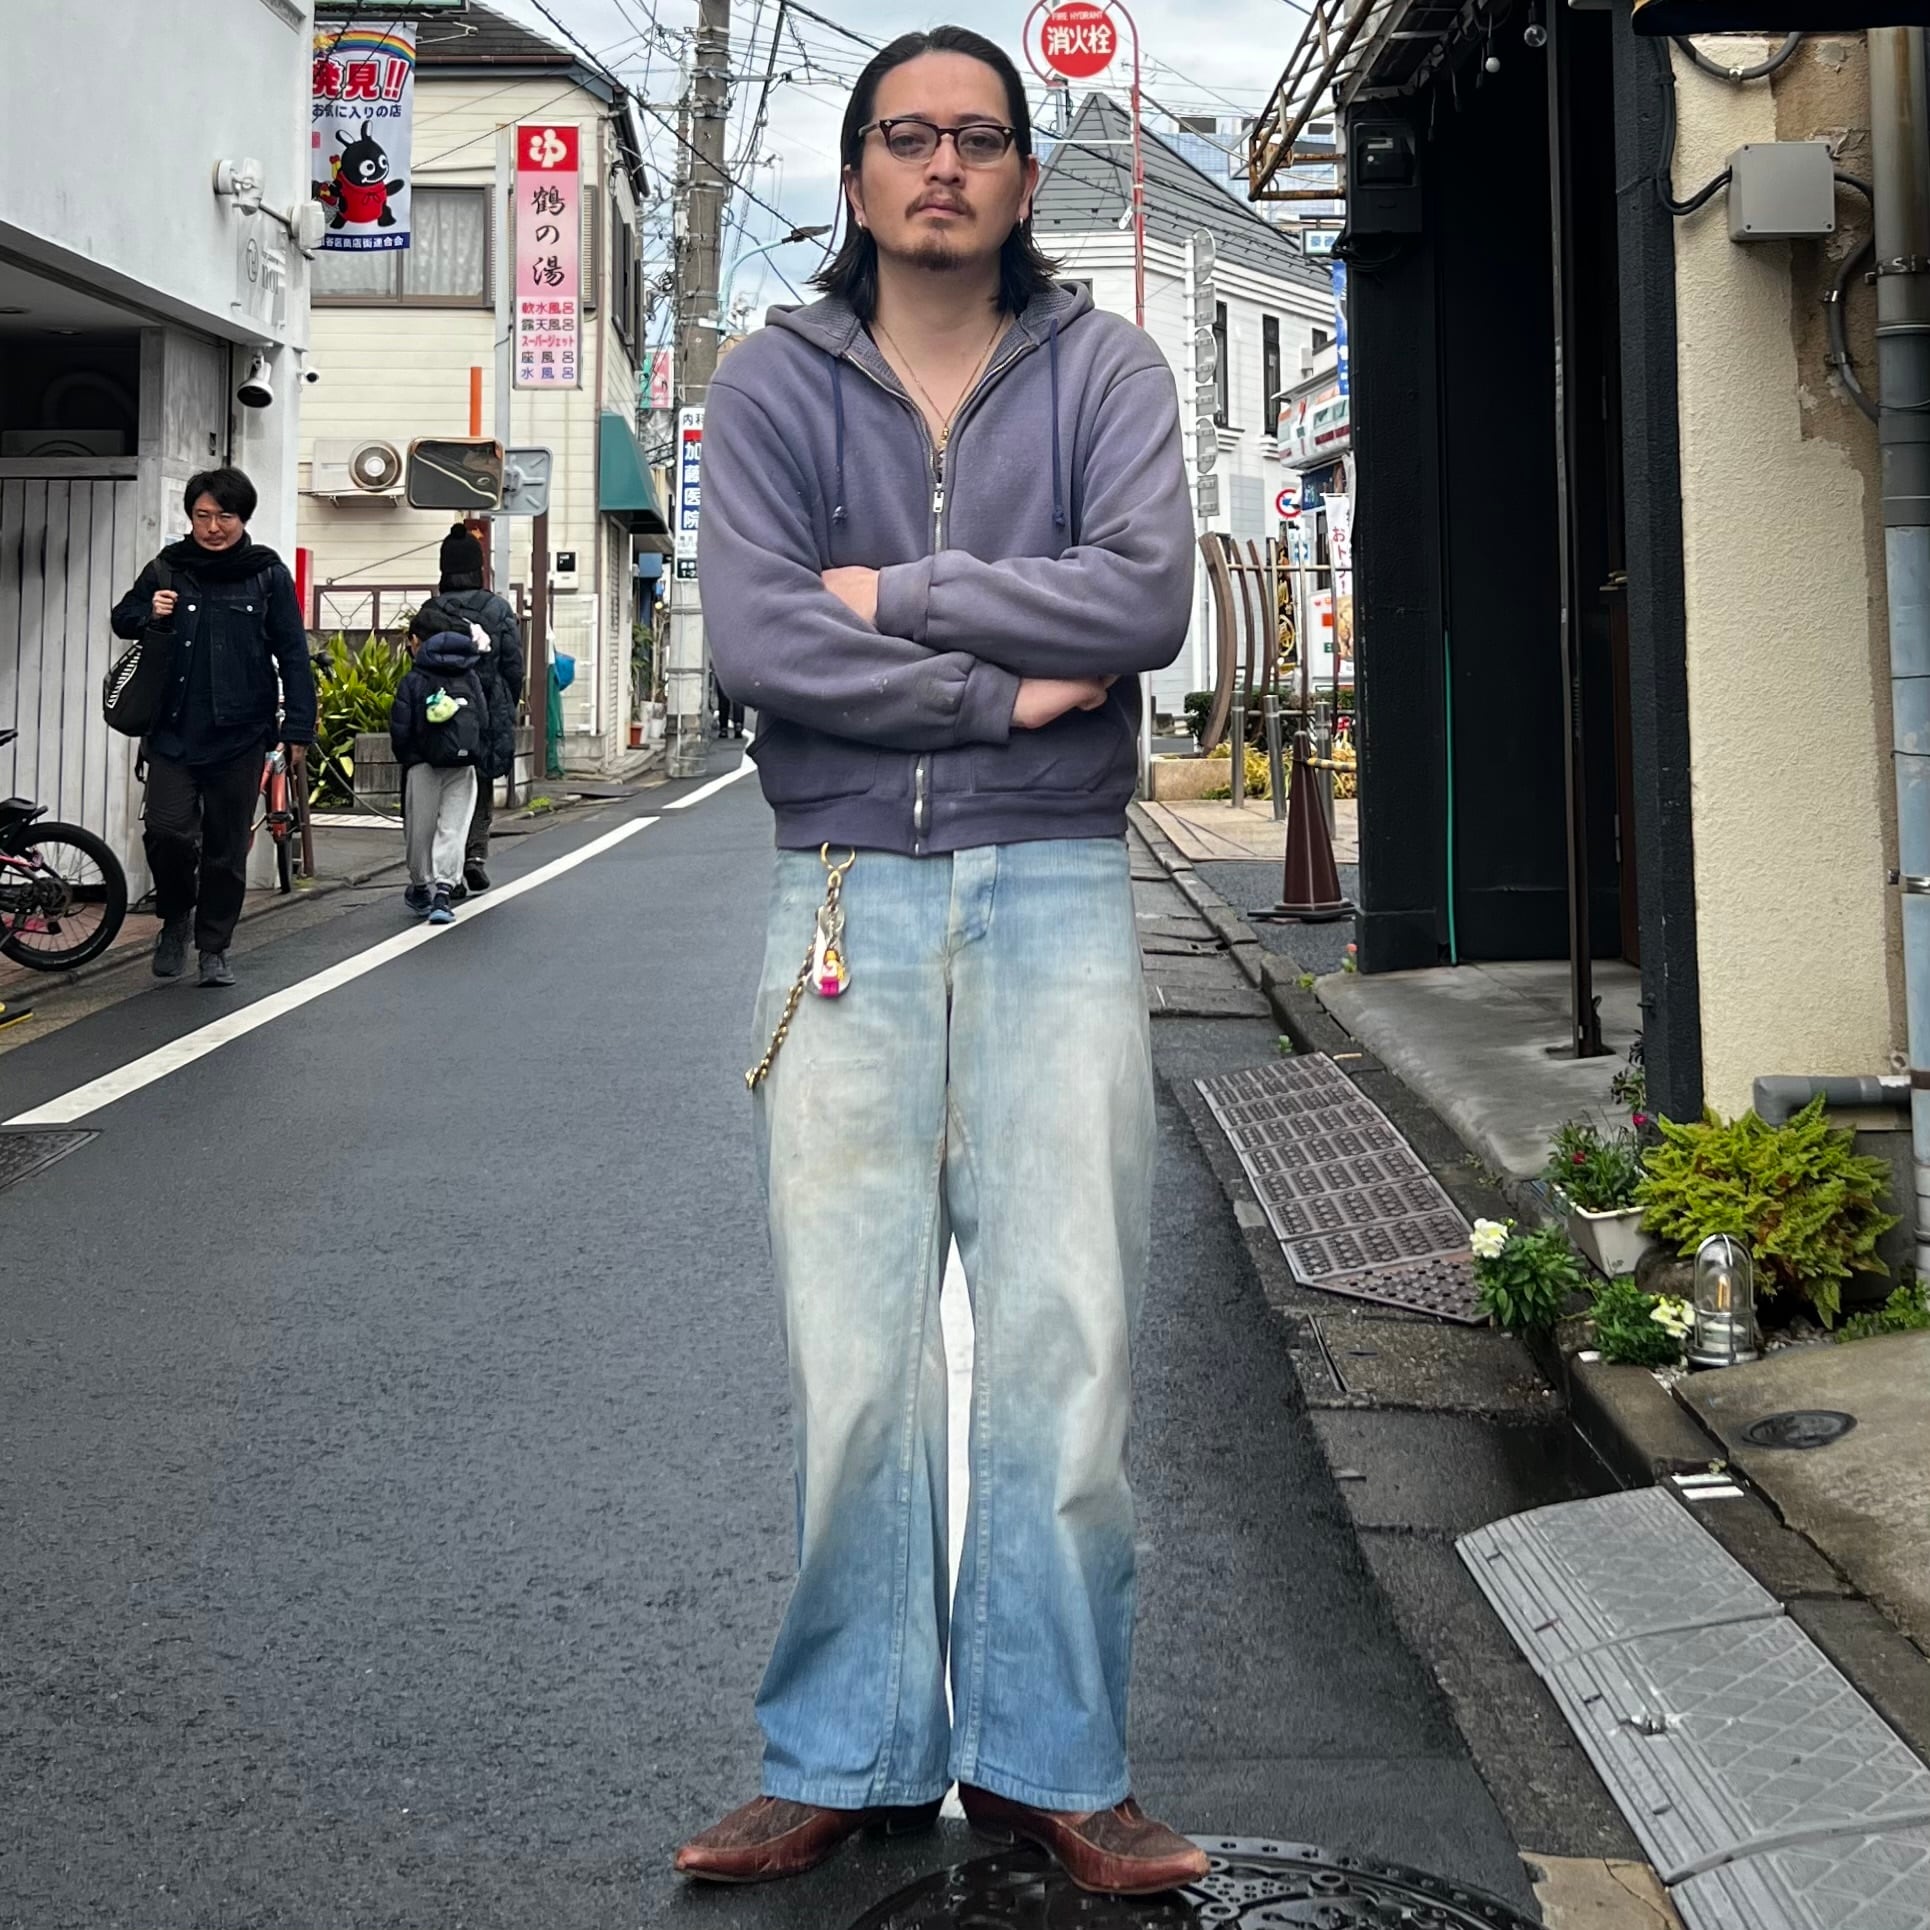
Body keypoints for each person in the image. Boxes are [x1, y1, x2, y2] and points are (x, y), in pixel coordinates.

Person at [684, 24, 1202, 1899]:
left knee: (1067, 1338)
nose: (943, 165)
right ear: (853, 176)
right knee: (856, 1356)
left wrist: (892, 600)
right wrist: (1006, 684)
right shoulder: (771, 381)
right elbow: (758, 637)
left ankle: (1057, 1760)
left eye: (980, 137)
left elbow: (1141, 595)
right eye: (906, 135)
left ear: (1023, 179)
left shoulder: (1106, 370)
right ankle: (847, 1750)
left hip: (1054, 885)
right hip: (839, 887)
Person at [111, 467, 316, 989]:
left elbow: (294, 654)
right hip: (173, 732)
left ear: (242, 518)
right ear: (190, 517)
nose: (213, 527)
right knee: (166, 832)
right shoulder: (168, 568)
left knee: (226, 849)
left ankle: (214, 948)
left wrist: (298, 728)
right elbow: (122, 617)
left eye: (224, 516)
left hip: (240, 735)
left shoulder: (266, 574)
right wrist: (148, 612)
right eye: (202, 516)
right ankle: (175, 917)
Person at [429, 523, 523, 893]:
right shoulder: (497, 609)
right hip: (487, 706)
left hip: (442, 709)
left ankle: (447, 866)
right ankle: (475, 855)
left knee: (446, 788)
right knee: (481, 781)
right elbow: (513, 664)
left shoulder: (432, 610)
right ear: (478, 568)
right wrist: (508, 702)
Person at [390, 608, 487, 926]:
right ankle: (444, 893)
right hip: (463, 764)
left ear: (417, 641)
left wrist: (411, 758)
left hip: (423, 765)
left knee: (420, 829)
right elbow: (484, 719)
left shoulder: (414, 678)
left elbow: (400, 728)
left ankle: (421, 887)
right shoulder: (469, 674)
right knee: (454, 828)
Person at [712, 667, 745, 741]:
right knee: (738, 699)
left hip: (723, 671)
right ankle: (738, 726)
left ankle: (724, 728)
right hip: (739, 671)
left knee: (723, 699)